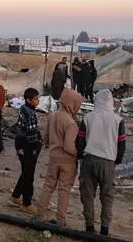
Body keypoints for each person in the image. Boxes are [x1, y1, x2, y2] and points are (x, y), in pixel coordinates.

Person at [76, 89, 127, 236]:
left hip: (89, 160)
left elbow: (80, 140)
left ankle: (89, 227)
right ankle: (105, 229)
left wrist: (81, 156)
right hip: (108, 162)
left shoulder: (88, 117)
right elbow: (121, 144)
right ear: (111, 102)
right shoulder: (118, 120)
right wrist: (116, 160)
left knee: (87, 195)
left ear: (96, 101)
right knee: (107, 197)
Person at [36, 89, 84, 226]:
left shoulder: (52, 116)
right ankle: (61, 220)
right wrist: (79, 154)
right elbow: (69, 147)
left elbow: (45, 139)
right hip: (68, 162)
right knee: (64, 190)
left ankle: (39, 215)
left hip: (53, 158)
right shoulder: (70, 123)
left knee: (47, 187)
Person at [10, 88, 42, 214]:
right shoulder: (30, 113)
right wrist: (37, 146)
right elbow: (31, 134)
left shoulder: (24, 108)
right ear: (28, 100)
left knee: (25, 171)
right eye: (36, 99)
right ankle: (26, 203)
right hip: (27, 146)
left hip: (20, 144)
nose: (38, 101)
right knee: (29, 175)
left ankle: (16, 196)